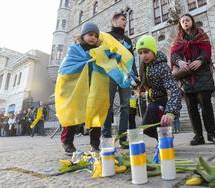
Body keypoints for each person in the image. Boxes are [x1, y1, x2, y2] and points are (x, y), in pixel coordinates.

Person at [170, 13, 215, 145]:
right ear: (180, 25)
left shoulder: (201, 35)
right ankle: (198, 136)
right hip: (186, 77)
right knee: (191, 107)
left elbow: (207, 50)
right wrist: (179, 61)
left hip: (202, 74)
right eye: (183, 21)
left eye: (187, 20)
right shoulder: (177, 39)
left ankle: (211, 134)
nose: (185, 23)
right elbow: (173, 54)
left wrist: (200, 60)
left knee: (206, 105)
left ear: (192, 21)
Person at [58, 22, 102, 156]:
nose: (93, 37)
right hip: (76, 88)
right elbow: (65, 68)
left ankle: (95, 144)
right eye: (90, 34)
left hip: (92, 87)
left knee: (95, 116)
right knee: (72, 114)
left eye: (95, 35)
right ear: (83, 36)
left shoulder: (99, 51)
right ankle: (67, 142)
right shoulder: (74, 50)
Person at [102, 13, 138, 149]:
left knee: (125, 106)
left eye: (126, 20)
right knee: (108, 105)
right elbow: (102, 53)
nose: (125, 22)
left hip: (125, 75)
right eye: (123, 19)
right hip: (111, 74)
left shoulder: (128, 40)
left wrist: (136, 75)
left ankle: (123, 138)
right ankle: (106, 137)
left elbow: (131, 59)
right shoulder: (106, 36)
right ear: (114, 20)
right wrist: (111, 54)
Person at [136, 35, 182, 140]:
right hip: (152, 101)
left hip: (163, 102)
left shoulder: (162, 66)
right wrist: (137, 84)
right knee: (146, 128)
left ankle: (165, 140)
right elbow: (145, 84)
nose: (143, 55)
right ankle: (164, 140)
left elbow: (174, 89)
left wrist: (170, 112)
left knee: (152, 120)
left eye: (146, 52)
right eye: (140, 53)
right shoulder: (144, 66)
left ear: (153, 51)